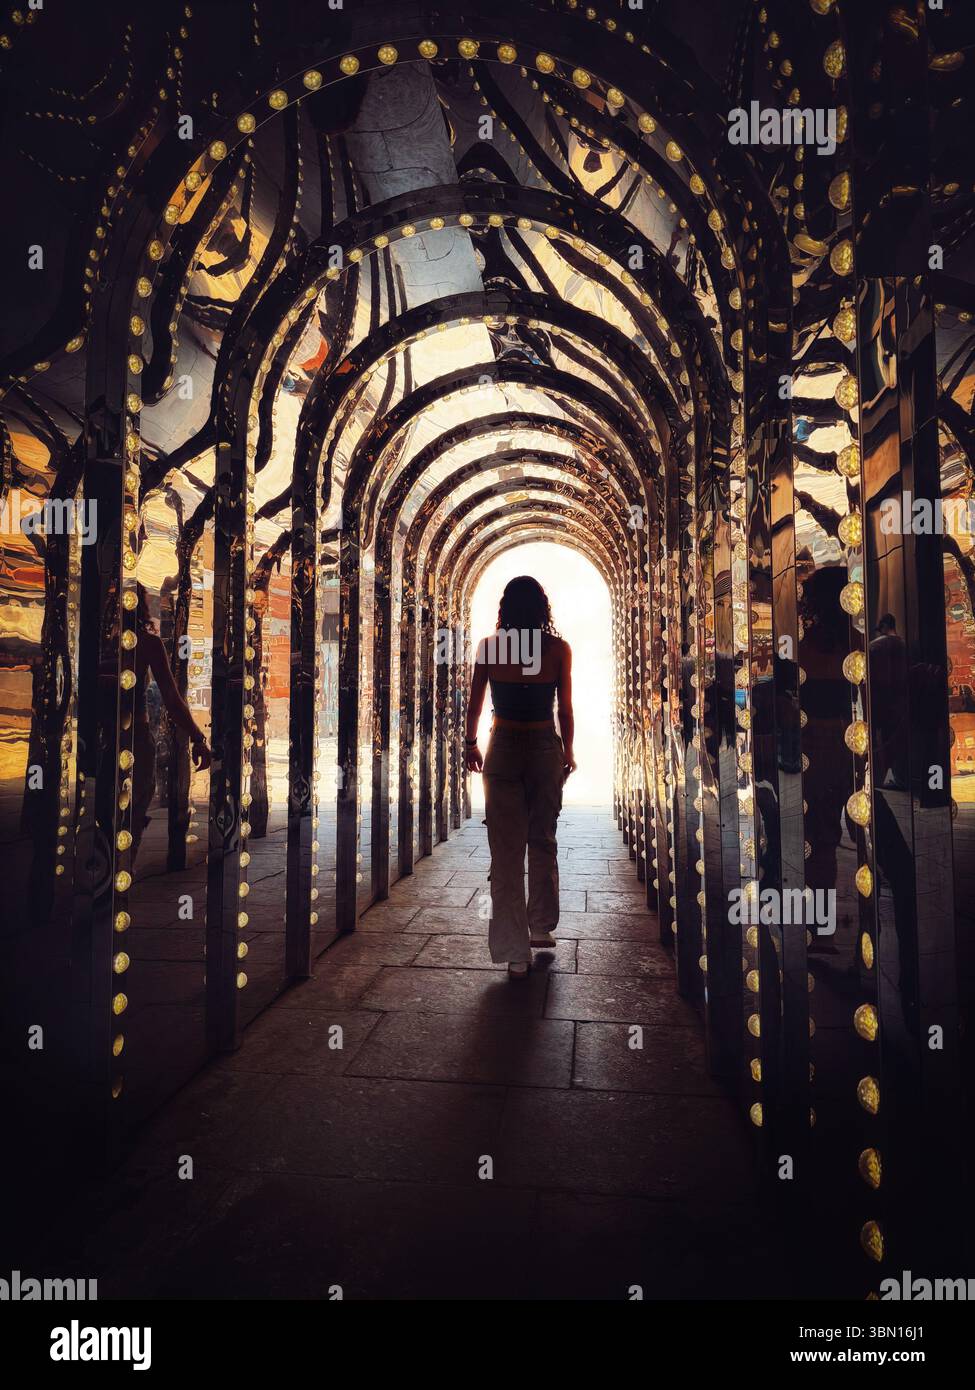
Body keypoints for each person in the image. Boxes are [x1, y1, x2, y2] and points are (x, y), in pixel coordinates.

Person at [464, 576, 576, 977]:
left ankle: (514, 953)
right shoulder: (558, 650)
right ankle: (541, 928)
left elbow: (475, 705)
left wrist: (470, 744)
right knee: (543, 838)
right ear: (542, 608)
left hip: (503, 747)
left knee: (506, 851)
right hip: (544, 745)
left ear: (505, 608)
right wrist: (569, 750)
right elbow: (565, 708)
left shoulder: (490, 648)